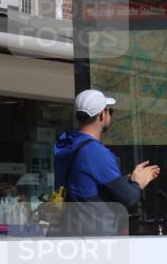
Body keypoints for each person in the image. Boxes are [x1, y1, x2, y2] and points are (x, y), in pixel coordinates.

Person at [52, 89, 160, 235]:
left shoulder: (67, 143)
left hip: (71, 232)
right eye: (110, 111)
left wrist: (126, 180)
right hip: (94, 238)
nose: (110, 115)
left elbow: (84, 185)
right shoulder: (94, 152)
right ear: (102, 114)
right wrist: (139, 182)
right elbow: (128, 197)